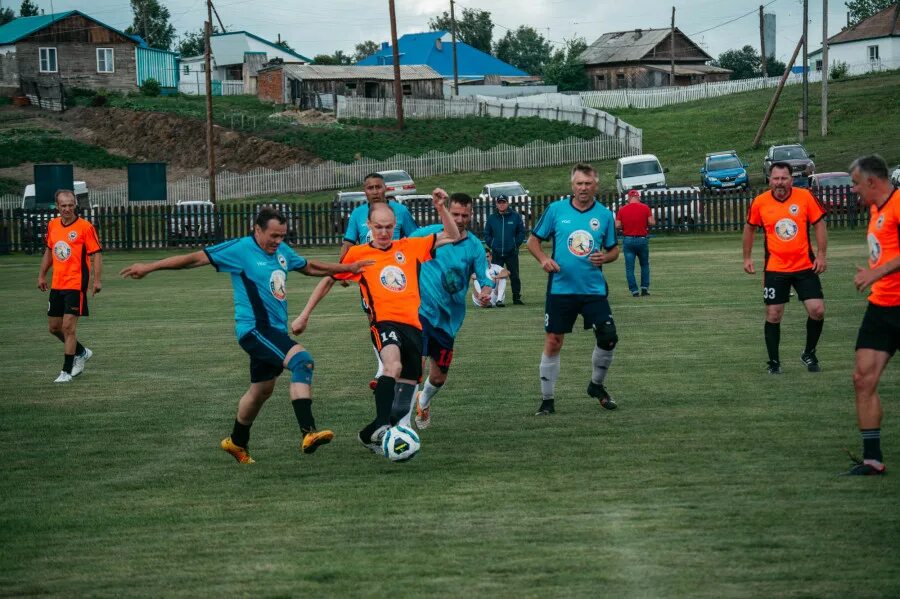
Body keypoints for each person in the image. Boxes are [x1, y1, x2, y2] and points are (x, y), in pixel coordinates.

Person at [120, 207, 373, 465]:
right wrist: (150, 266)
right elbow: (194, 259)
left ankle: (236, 442)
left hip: (273, 331)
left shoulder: (281, 251)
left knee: (261, 390)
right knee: (302, 361)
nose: (278, 241)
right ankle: (308, 432)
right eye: (273, 235)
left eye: (282, 236)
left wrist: (347, 267)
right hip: (254, 329)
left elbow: (309, 266)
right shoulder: (239, 250)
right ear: (257, 229)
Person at [292, 191, 460, 454]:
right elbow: (329, 279)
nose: (384, 232)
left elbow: (453, 235)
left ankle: (370, 434)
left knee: (408, 388)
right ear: (368, 226)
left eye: (389, 227)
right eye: (378, 227)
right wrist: (305, 314)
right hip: (384, 324)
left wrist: (441, 207)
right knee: (391, 365)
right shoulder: (358, 255)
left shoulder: (409, 246)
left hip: (414, 327)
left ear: (395, 226)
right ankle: (382, 425)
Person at [526, 163, 620, 416]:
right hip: (561, 289)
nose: (583, 188)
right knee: (554, 341)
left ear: (596, 186)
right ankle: (547, 401)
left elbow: (614, 249)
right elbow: (533, 241)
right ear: (572, 185)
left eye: (588, 184)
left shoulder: (604, 215)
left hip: (593, 290)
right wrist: (544, 260)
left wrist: (606, 258)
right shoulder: (556, 210)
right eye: (579, 183)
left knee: (608, 336)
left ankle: (596, 386)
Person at [408, 193, 493, 430]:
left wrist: (484, 292)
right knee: (416, 368)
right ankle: (401, 425)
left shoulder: (475, 246)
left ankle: (422, 402)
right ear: (446, 212)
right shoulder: (428, 234)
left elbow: (485, 278)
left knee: (438, 378)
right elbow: (401, 249)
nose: (459, 219)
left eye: (464, 215)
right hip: (421, 312)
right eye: (454, 213)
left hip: (449, 320)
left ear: (471, 215)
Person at [843, 155, 900, 476]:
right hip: (881, 308)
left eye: (854, 183)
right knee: (862, 379)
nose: (852, 190)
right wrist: (875, 273)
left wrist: (875, 274)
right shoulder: (876, 210)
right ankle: (872, 459)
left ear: (872, 182)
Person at [335, 172, 419, 388]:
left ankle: (399, 365)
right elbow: (348, 242)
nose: (374, 191)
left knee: (403, 320)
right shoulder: (357, 214)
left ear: (386, 189)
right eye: (370, 188)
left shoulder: (400, 211)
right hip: (370, 278)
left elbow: (415, 238)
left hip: (398, 277)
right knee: (374, 319)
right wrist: (343, 267)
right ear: (365, 191)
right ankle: (383, 367)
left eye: (378, 187)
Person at [743, 161, 827, 375]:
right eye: (776, 178)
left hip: (805, 266)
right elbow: (749, 228)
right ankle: (774, 362)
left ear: (791, 179)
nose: (779, 182)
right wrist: (747, 257)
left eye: (784, 178)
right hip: (775, 268)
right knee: (773, 314)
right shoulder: (760, 202)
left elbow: (819, 223)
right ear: (769, 179)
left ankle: (809, 353)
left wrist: (821, 255)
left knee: (817, 311)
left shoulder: (805, 197)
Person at [38, 189, 102, 383]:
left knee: (68, 327)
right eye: (63, 205)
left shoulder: (85, 227)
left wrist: (97, 280)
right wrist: (41, 275)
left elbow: (96, 254)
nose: (67, 209)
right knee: (54, 327)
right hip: (58, 283)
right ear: (57, 207)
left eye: (70, 205)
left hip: (76, 284)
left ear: (75, 205)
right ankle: (81, 352)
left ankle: (66, 371)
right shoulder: (53, 225)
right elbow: (50, 251)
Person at [484, 193, 526, 305]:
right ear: (496, 204)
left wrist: (515, 244)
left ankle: (516, 298)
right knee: (494, 275)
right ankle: (495, 298)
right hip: (497, 253)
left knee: (515, 276)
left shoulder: (515, 216)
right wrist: (492, 244)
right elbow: (487, 234)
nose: (502, 204)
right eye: (499, 202)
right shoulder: (492, 218)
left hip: (511, 252)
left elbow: (521, 232)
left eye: (504, 202)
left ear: (507, 203)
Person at [615, 189, 655, 297]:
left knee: (629, 267)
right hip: (642, 239)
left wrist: (624, 226)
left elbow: (617, 225)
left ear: (628, 198)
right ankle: (644, 288)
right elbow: (652, 222)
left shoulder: (622, 210)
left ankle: (634, 290)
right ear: (638, 197)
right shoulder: (645, 208)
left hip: (628, 240)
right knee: (644, 265)